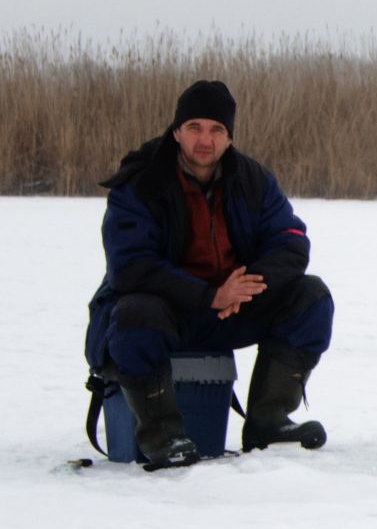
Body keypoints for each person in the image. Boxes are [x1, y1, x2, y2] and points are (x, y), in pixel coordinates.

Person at [83, 80, 333, 468]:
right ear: (177, 131)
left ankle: (267, 423)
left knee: (311, 297)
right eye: (195, 127)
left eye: (217, 129)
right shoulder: (140, 183)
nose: (205, 139)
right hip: (168, 313)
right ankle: (161, 436)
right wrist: (210, 295)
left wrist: (245, 287)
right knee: (135, 313)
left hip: (230, 309)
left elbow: (291, 241)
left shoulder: (253, 180)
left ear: (229, 138)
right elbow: (131, 268)